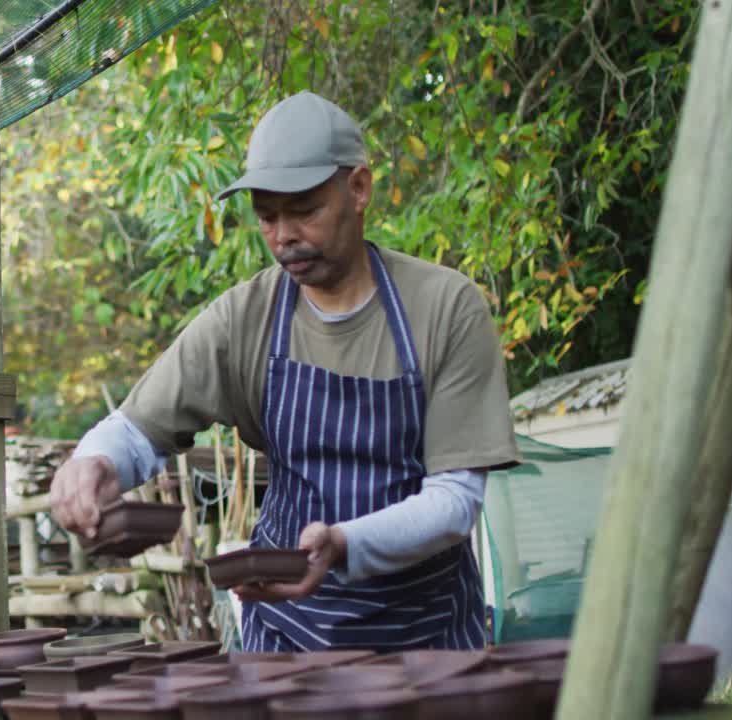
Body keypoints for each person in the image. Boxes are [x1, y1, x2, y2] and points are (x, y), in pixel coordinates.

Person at [49, 91, 519, 652]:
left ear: (359, 189)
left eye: (304, 211)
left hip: (427, 641)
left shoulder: (444, 308)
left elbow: (455, 502)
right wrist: (93, 464)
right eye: (267, 217)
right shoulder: (245, 318)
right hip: (287, 639)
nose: (284, 237)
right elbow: (134, 431)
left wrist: (341, 543)